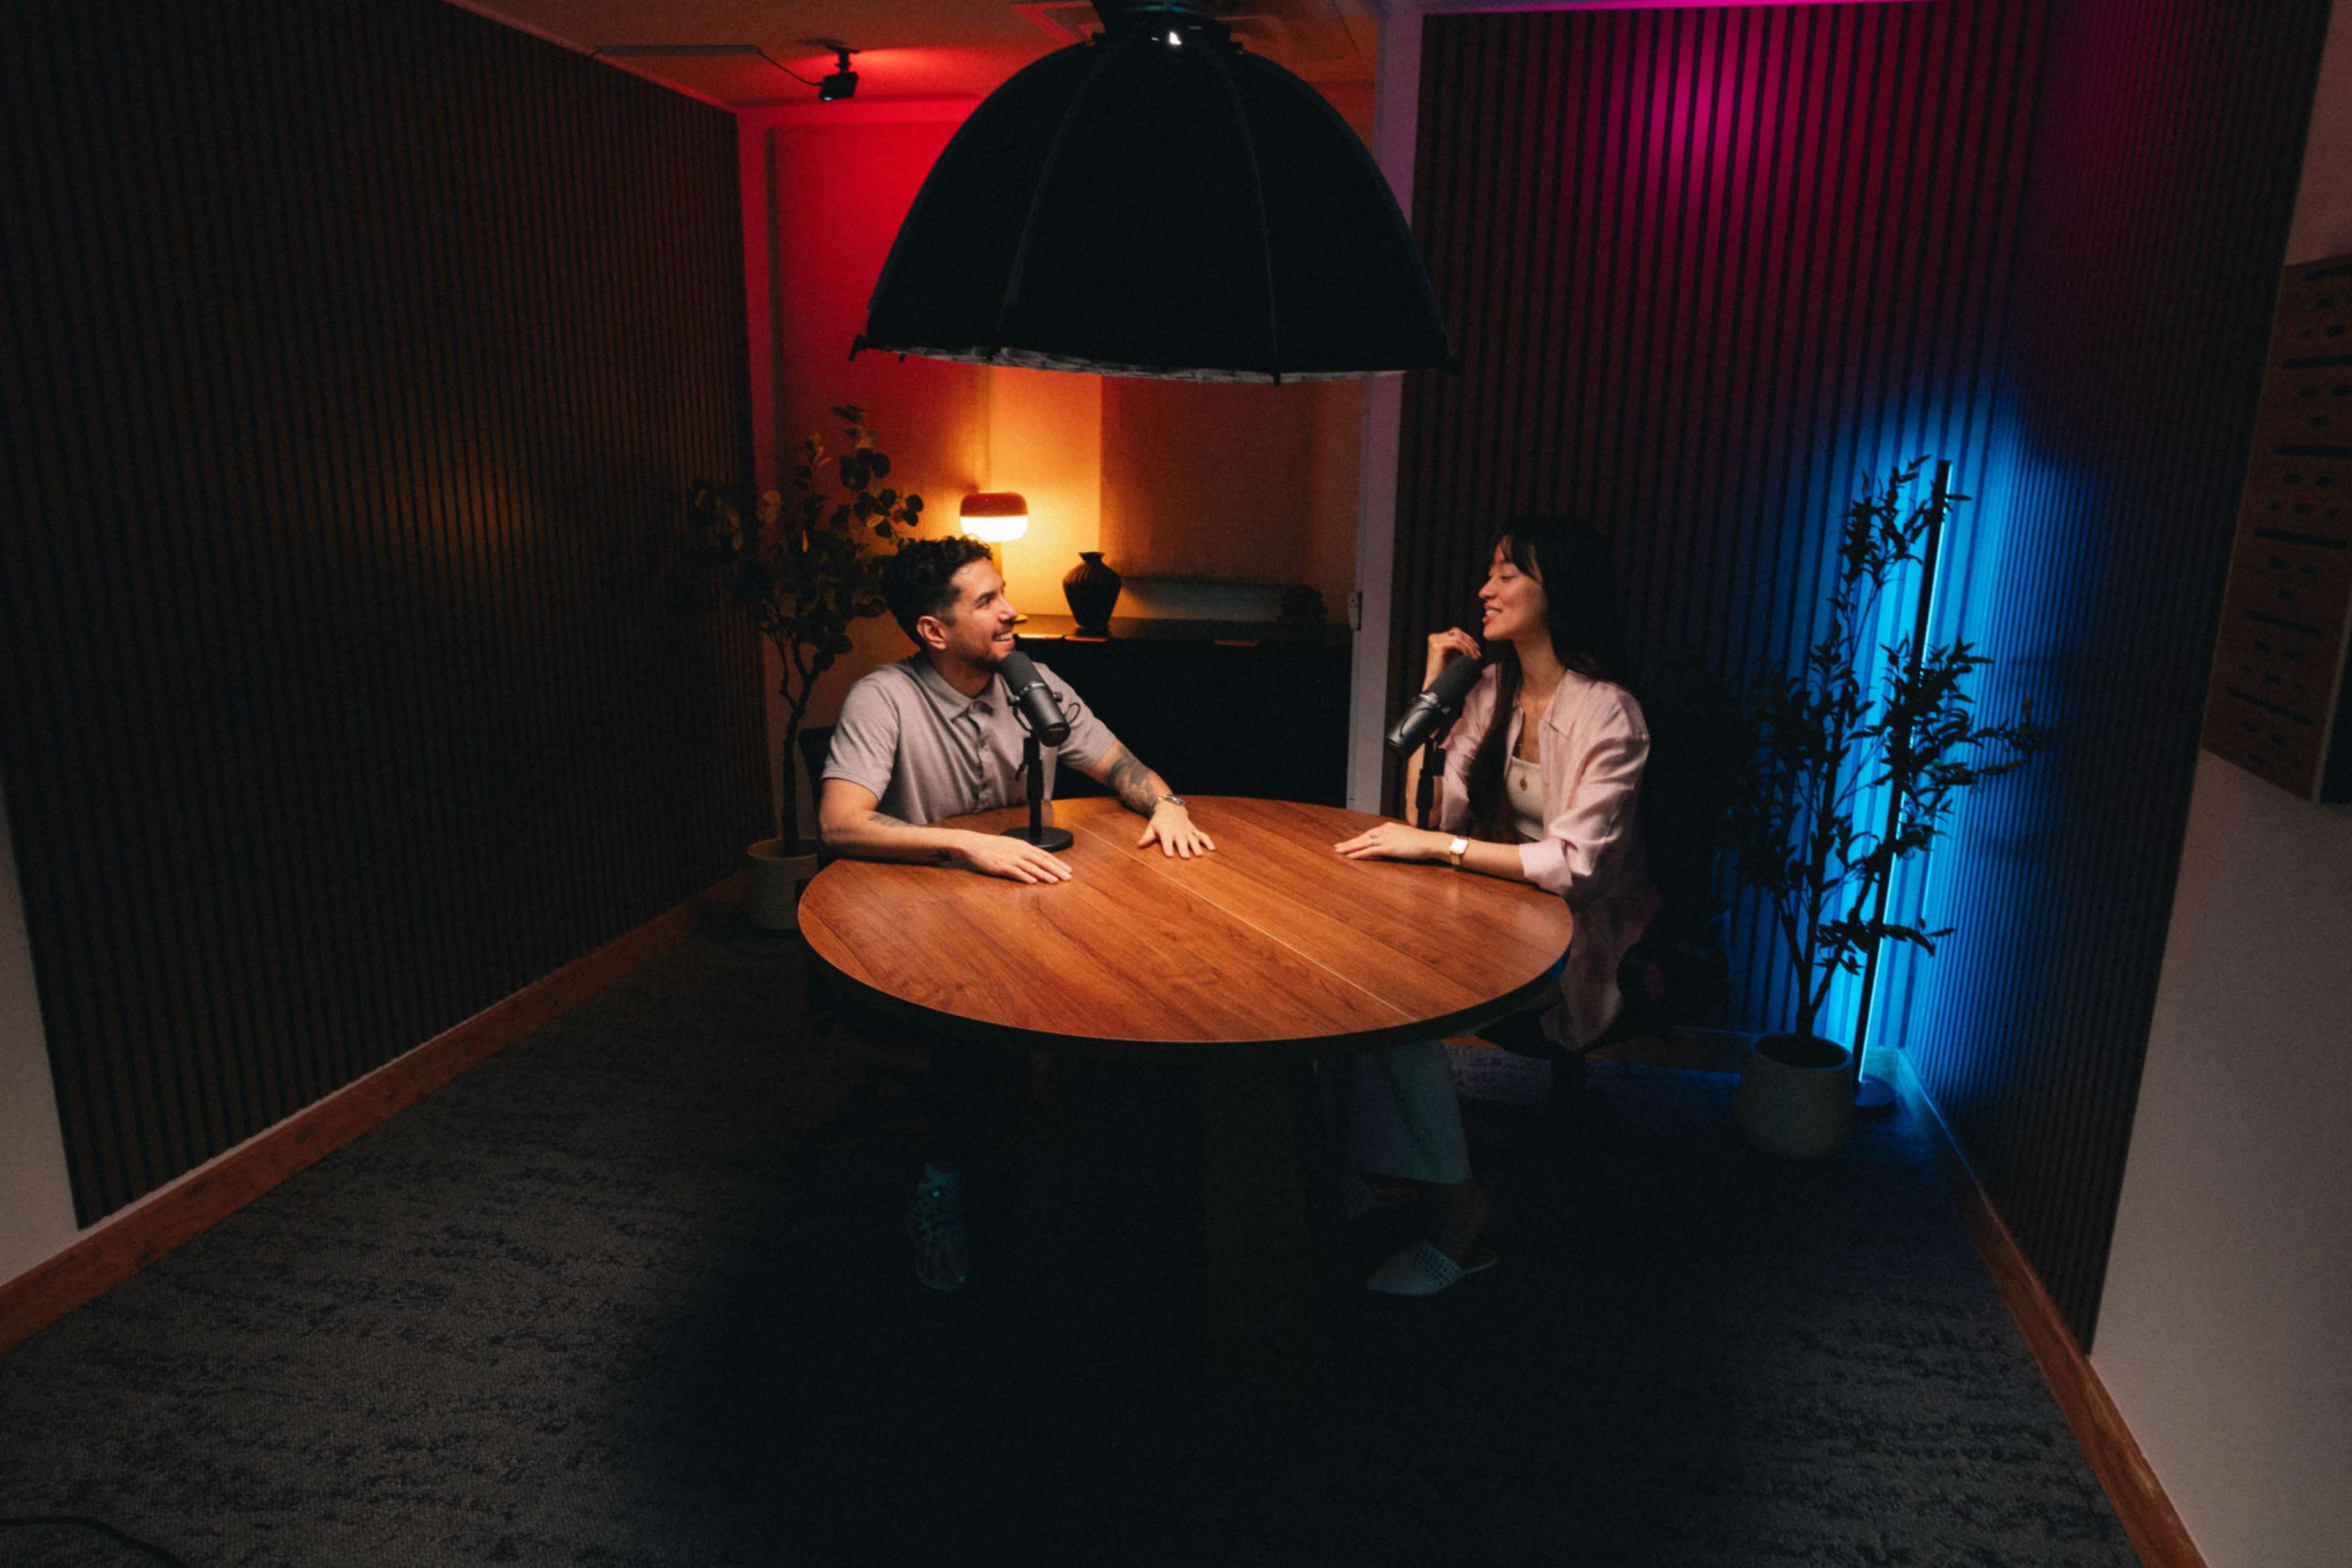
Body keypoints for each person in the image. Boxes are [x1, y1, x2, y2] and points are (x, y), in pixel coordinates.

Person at [818, 535, 1214, 1291]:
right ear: (934, 630)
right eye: (988, 601)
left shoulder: (1030, 681)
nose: (1011, 612)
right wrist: (969, 849)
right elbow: (840, 822)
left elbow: (1119, 764)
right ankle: (942, 1181)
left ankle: (1108, 1187)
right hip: (923, 918)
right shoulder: (884, 697)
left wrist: (1164, 802)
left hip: (1018, 899)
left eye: (1005, 594)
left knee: (1135, 979)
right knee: (988, 1022)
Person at [1333, 518, 1657, 1295]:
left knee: (1395, 1004)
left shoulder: (1611, 713)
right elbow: (1430, 819)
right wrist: (1431, 686)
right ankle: (1381, 1166)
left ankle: (1461, 1213)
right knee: (1347, 967)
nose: (1486, 588)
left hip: (1582, 935)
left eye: (1509, 573)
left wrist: (1442, 854)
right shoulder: (1492, 690)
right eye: (1489, 572)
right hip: (1498, 910)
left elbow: (1575, 866)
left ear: (1558, 592)